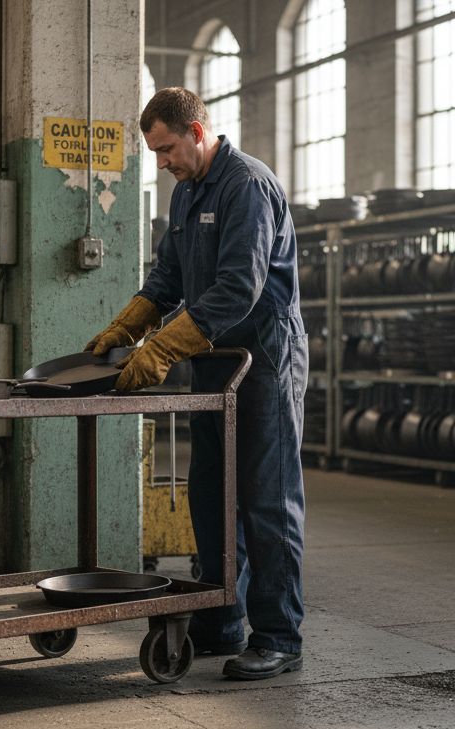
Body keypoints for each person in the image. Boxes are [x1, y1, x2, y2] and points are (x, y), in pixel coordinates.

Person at [85, 87, 307, 681]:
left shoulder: (248, 186)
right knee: (211, 495)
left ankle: (280, 635)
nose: (162, 163)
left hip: (264, 360)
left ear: (198, 132)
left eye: (167, 149)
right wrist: (129, 322)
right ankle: (219, 616)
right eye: (155, 153)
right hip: (213, 362)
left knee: (265, 498)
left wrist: (161, 347)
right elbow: (167, 277)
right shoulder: (187, 193)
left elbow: (239, 288)